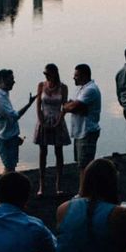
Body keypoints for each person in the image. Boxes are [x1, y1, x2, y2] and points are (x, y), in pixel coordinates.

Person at [33, 63, 70, 196]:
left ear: (55, 73)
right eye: (45, 74)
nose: (46, 76)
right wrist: (41, 122)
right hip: (44, 119)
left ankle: (58, 185)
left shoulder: (63, 87)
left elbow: (64, 107)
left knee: (58, 152)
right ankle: (41, 185)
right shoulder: (41, 85)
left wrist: (58, 122)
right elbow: (38, 106)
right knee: (43, 152)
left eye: (48, 73)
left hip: (57, 120)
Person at [0, 69, 36, 173]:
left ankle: (8, 187)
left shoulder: (3, 95)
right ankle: (5, 188)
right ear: (3, 80)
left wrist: (15, 136)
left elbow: (8, 120)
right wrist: (29, 104)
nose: (14, 82)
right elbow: (14, 116)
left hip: (9, 137)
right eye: (11, 79)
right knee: (9, 168)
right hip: (5, 139)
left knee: (11, 167)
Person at [63, 63, 102, 177]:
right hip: (80, 132)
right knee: (81, 165)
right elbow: (74, 105)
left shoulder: (90, 89)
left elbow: (73, 106)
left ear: (84, 75)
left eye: (76, 75)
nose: (73, 77)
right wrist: (74, 107)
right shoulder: (82, 89)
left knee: (85, 166)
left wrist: (69, 107)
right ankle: (84, 191)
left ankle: (85, 192)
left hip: (87, 131)